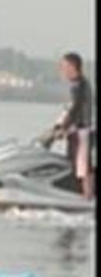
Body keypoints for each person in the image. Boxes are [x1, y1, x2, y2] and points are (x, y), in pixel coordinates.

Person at [54, 52, 94, 200]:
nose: (62, 70)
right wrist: (58, 126)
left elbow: (75, 109)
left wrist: (63, 128)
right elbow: (68, 110)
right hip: (76, 131)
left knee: (83, 166)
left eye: (64, 66)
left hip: (82, 131)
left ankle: (88, 198)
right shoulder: (76, 85)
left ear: (72, 67)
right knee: (76, 166)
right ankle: (79, 195)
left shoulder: (79, 85)